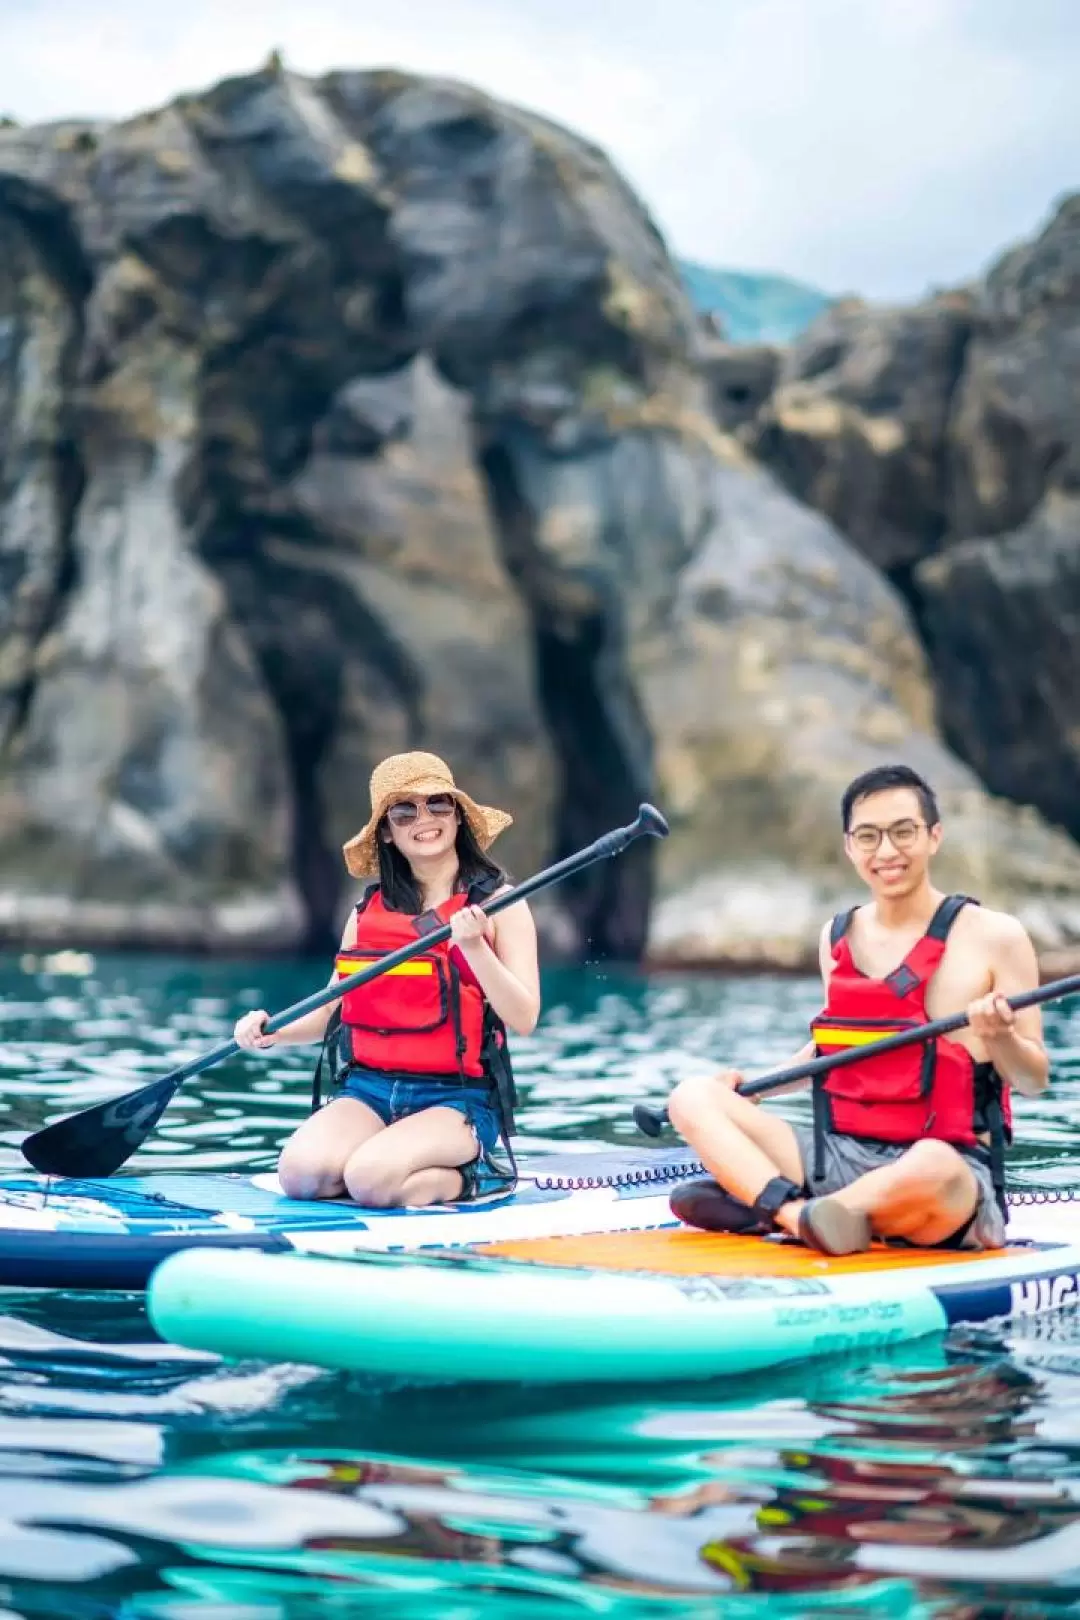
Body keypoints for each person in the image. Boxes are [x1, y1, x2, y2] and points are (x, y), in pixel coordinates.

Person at [667, 764, 1049, 1255]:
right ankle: (802, 1215)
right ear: (849, 847)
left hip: (945, 1172)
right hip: (837, 1157)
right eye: (868, 837)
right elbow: (839, 1047)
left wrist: (999, 1037)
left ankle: (782, 1207)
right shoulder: (836, 936)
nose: (886, 852)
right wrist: (756, 1089)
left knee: (934, 1163)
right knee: (691, 1096)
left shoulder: (997, 936)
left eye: (903, 832)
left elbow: (1034, 1079)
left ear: (934, 837)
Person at [234, 752, 540, 1206]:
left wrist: (475, 949)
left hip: (458, 1098)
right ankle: (387, 1160)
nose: (425, 819)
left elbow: (524, 1017)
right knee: (301, 1176)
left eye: (438, 804)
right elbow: (331, 1012)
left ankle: (474, 1176)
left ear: (457, 817)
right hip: (369, 1089)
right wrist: (268, 1031)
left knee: (370, 1180)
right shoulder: (365, 914)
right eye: (404, 811)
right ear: (387, 832)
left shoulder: (500, 905)